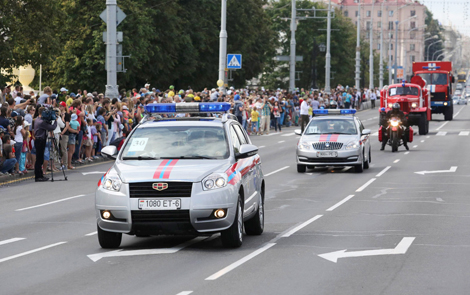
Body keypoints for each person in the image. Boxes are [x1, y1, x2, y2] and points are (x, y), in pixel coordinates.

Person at [33, 107, 58, 182]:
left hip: (39, 140)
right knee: (39, 159)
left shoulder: (37, 119)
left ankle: (40, 175)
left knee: (39, 158)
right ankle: (38, 176)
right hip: (40, 140)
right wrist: (55, 121)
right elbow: (52, 127)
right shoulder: (41, 122)